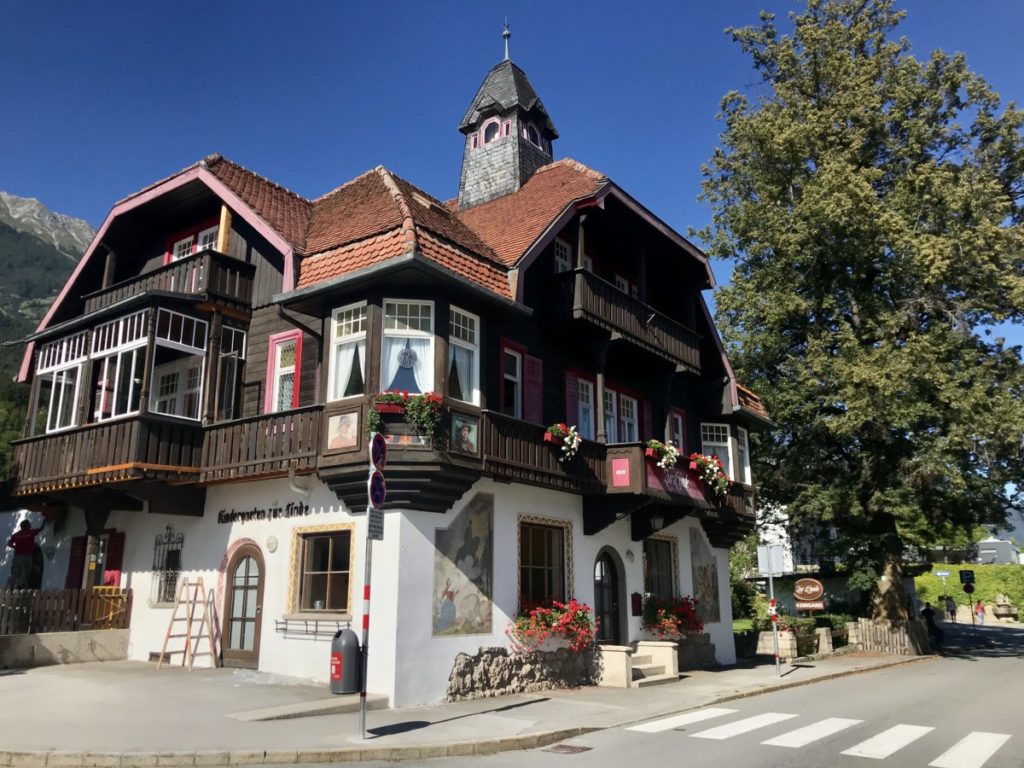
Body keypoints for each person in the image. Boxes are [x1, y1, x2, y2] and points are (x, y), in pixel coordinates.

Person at [6, 520, 43, 589]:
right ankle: (21, 587)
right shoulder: (30, 532)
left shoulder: (17, 534)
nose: (30, 526)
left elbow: (9, 544)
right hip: (27, 556)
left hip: (17, 557)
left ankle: (11, 586)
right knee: (25, 573)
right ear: (27, 526)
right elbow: (41, 529)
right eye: (29, 525)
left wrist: (15, 547)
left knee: (16, 572)